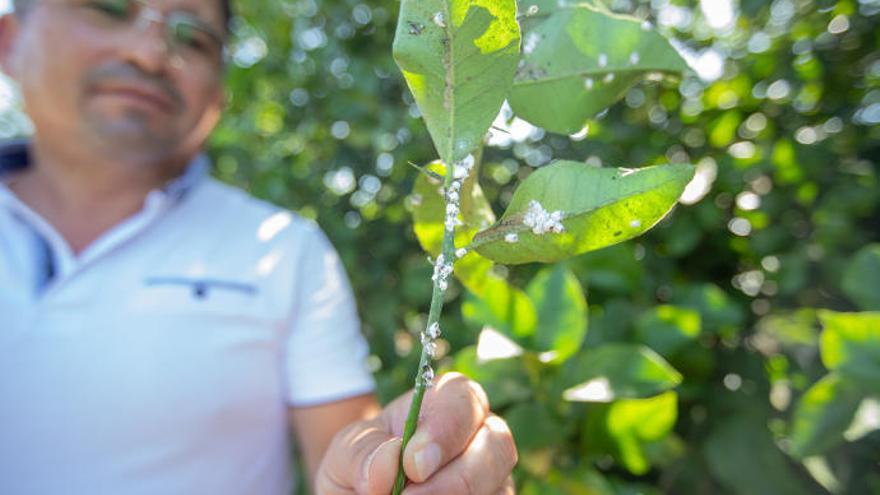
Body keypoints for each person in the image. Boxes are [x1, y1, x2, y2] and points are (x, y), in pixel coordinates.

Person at [0, 0, 517, 493]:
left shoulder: (287, 253)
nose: (150, 53)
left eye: (194, 38)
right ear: (10, 41)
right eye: (109, 8)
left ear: (216, 101)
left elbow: (343, 459)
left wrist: (388, 469)